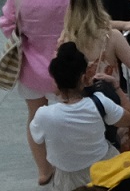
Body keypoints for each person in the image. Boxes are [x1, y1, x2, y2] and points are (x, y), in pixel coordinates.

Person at [0, 0, 76, 183]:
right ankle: (68, 163)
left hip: (30, 67)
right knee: (66, 114)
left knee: (34, 117)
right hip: (60, 66)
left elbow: (7, 25)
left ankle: (44, 171)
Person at [29, 43, 118, 190]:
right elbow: (129, 118)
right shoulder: (99, 102)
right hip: (106, 169)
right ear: (83, 78)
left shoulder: (44, 115)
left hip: (69, 180)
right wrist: (116, 87)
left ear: (56, 82)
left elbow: (37, 139)